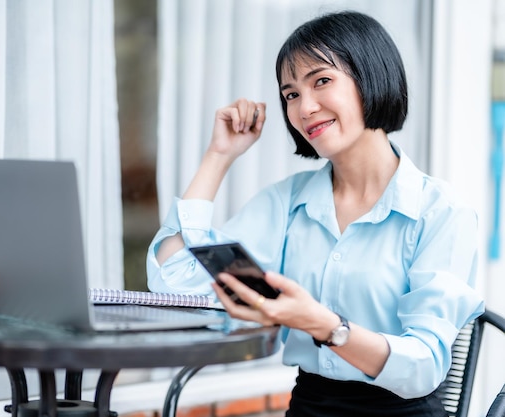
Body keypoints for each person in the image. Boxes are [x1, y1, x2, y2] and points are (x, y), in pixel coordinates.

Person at [146, 10, 484, 417]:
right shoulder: (287, 204)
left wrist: (327, 326)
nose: (305, 108)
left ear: (371, 77)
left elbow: (424, 365)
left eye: (321, 81)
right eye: (290, 94)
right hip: (308, 408)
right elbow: (175, 281)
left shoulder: (441, 212)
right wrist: (218, 157)